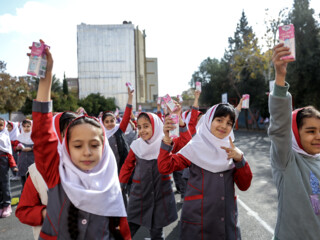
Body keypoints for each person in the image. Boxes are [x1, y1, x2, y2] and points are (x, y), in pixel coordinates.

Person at [30, 40, 130, 239]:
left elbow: (122, 232)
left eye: (95, 145)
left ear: (105, 148)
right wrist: (47, 74)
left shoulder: (110, 183)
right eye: (77, 145)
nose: (87, 152)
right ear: (66, 147)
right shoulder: (56, 176)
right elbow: (42, 133)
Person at [268, 43, 320, 240]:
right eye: (310, 131)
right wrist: (280, 77)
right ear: (295, 133)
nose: (319, 136)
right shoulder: (286, 163)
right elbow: (279, 127)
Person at [158, 103, 253, 239]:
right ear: (209, 120)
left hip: (226, 222)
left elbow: (244, 185)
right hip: (197, 223)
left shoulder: (233, 151)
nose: (223, 126)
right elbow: (165, 167)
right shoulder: (195, 147)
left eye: (229, 123)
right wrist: (166, 140)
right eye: (219, 120)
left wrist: (240, 160)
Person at [119, 102, 192, 239]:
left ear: (156, 125)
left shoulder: (166, 142)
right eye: (139, 127)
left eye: (146, 126)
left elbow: (185, 142)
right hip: (139, 195)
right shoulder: (136, 145)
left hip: (160, 196)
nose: (142, 130)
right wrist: (121, 185)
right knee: (128, 229)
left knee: (157, 233)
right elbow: (127, 166)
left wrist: (180, 120)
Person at [15, 111, 78, 240]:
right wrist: (47, 213)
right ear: (55, 135)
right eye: (68, 133)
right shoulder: (37, 172)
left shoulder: (98, 169)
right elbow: (23, 212)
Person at [0, 118, 18, 218]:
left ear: (4, 126)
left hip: (3, 162)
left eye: (0, 125)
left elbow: (9, 154)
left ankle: (7, 205)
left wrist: (13, 166)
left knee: (5, 184)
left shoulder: (5, 137)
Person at [16, 119, 34, 189]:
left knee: (32, 181)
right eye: (24, 126)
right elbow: (14, 148)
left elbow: (39, 147)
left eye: (28, 126)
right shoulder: (20, 137)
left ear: (31, 126)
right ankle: (24, 198)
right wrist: (17, 148)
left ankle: (33, 199)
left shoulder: (34, 137)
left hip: (32, 162)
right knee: (23, 182)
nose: (26, 128)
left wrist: (31, 148)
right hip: (22, 162)